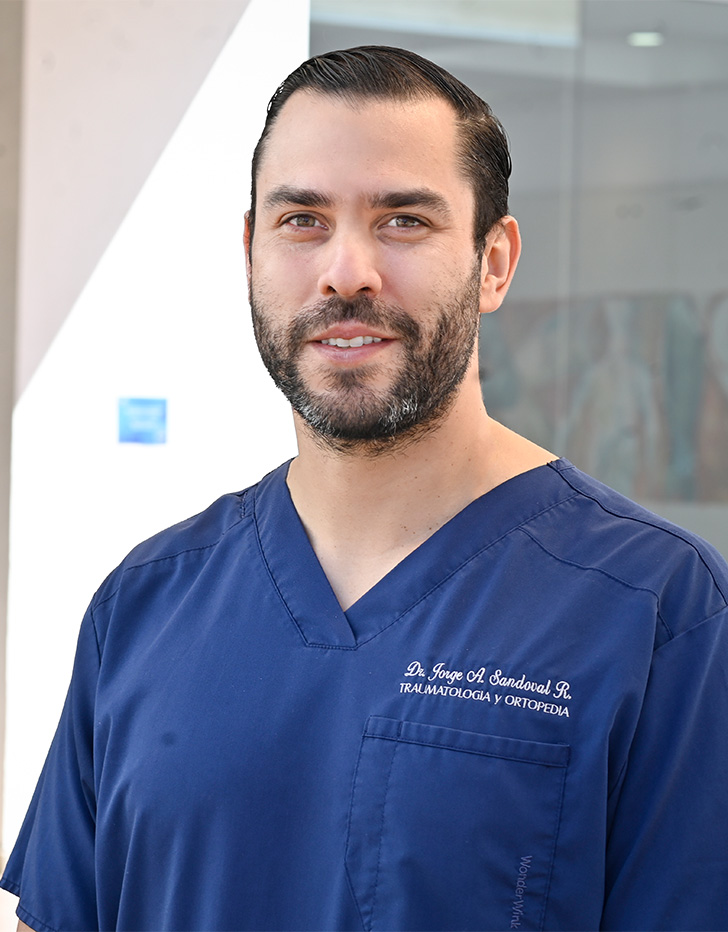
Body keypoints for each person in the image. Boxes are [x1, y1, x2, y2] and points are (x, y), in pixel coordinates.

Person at [2, 45, 727, 932]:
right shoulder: (145, 603)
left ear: (494, 262)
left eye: (403, 221)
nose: (347, 271)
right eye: (302, 220)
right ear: (250, 251)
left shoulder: (658, 611)